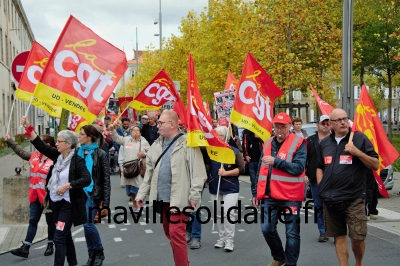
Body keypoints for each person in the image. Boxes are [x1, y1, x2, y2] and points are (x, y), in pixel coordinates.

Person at [136, 110, 207, 266]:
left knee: (176, 233)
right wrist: (141, 195)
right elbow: (149, 172)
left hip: (180, 198)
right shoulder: (156, 144)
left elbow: (199, 173)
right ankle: (181, 260)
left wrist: (194, 196)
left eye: (161, 123)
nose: (158, 126)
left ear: (172, 124)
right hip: (162, 199)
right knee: (170, 233)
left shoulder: (188, 144)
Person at [22, 116, 91, 266]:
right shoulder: (57, 156)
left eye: (59, 141)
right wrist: (29, 128)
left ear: (69, 144)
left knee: (59, 237)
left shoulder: (77, 160)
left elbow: (87, 179)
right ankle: (73, 263)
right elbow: (41, 146)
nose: (56, 143)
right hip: (55, 203)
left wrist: (68, 185)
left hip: (68, 205)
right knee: (65, 237)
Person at [316, 108, 379, 266]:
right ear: (330, 124)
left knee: (358, 237)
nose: (343, 122)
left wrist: (357, 152)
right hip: (330, 199)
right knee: (339, 236)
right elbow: (319, 166)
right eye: (338, 120)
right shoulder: (325, 143)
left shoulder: (358, 139)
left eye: (345, 118)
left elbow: (375, 164)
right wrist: (321, 188)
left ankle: (358, 263)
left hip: (354, 198)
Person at [253, 112, 306, 266]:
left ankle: (290, 264)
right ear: (273, 127)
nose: (280, 130)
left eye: (283, 127)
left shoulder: (299, 142)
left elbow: (299, 168)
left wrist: (276, 162)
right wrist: (256, 192)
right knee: (266, 229)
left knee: (292, 233)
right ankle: (279, 256)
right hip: (269, 196)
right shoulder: (268, 143)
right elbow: (260, 170)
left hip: (291, 196)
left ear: (290, 126)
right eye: (277, 127)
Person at [5, 134, 56, 258]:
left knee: (50, 222)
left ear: (47, 145)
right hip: (35, 196)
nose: (36, 144)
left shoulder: (55, 158)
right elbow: (21, 152)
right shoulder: (34, 156)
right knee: (33, 221)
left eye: (39, 142)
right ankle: (26, 247)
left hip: (48, 197)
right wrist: (10, 141)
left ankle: (50, 244)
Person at [76, 125, 111, 266]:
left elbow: (106, 179)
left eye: (81, 134)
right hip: (79, 194)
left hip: (93, 194)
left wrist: (106, 202)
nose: (79, 136)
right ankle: (91, 254)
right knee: (86, 226)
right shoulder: (77, 153)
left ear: (89, 137)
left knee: (88, 223)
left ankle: (99, 251)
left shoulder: (101, 154)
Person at [208, 126, 245, 252]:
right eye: (216, 135)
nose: (218, 138)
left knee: (228, 213)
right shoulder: (210, 150)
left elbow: (242, 168)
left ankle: (230, 240)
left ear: (226, 137)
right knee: (218, 214)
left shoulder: (234, 151)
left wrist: (226, 173)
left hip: (230, 187)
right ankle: (222, 237)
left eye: (221, 135)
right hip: (215, 185)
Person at [108, 124, 150, 212]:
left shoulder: (144, 142)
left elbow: (151, 153)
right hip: (128, 168)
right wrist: (113, 131)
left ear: (140, 132)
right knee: (130, 189)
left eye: (137, 130)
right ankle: (135, 204)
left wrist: (144, 154)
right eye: (132, 130)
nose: (134, 131)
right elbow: (117, 138)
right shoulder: (126, 140)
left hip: (138, 169)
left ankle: (138, 202)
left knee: (137, 188)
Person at [305, 114, 331, 242]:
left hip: (334, 179)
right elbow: (305, 158)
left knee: (334, 206)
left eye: (328, 123)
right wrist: (304, 173)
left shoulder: (336, 139)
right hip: (315, 178)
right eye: (323, 123)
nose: (325, 125)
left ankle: (336, 231)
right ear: (318, 125)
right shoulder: (310, 140)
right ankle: (323, 231)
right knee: (319, 205)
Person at [242, 128, 263, 199]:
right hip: (251, 160)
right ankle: (254, 197)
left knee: (261, 180)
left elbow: (267, 141)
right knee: (253, 181)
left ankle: (261, 197)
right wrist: (246, 155)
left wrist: (260, 137)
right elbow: (244, 145)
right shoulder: (246, 132)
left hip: (261, 160)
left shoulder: (261, 130)